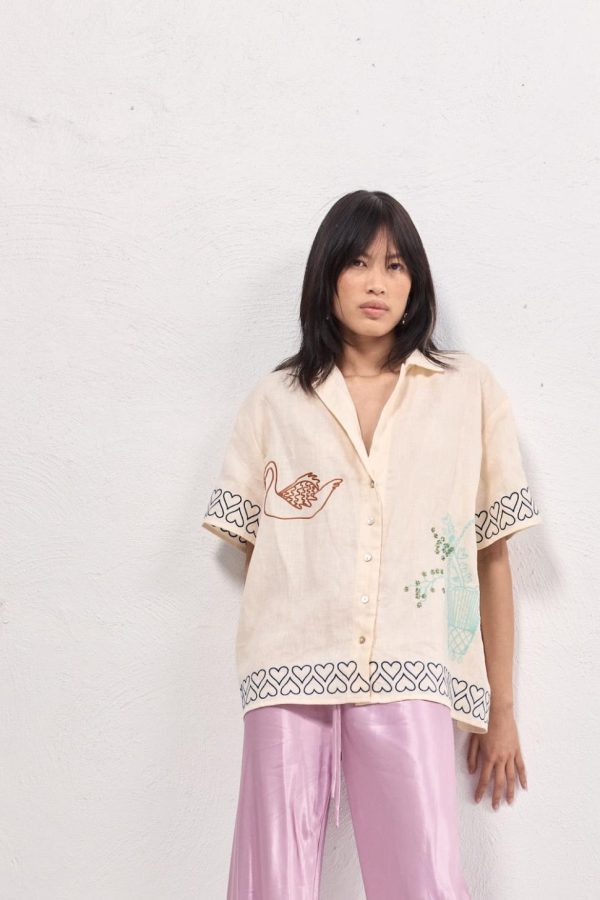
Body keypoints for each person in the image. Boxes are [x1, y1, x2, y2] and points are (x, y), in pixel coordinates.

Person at [202, 189, 543, 899]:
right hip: (289, 668)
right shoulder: (274, 401)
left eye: (394, 265)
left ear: (415, 282)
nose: (377, 283)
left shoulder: (466, 391)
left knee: (422, 880)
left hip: (414, 668)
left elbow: (489, 554)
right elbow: (256, 547)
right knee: (271, 883)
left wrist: (501, 709)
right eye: (357, 263)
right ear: (327, 278)